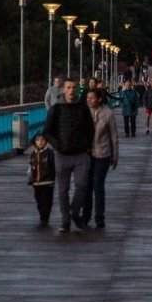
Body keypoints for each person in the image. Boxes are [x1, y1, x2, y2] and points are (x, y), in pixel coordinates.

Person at [42, 78, 96, 233]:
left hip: (80, 154)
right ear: (63, 90)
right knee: (63, 189)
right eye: (68, 87)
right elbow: (46, 132)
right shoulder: (56, 109)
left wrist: (86, 145)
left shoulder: (83, 108)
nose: (72, 90)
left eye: (73, 87)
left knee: (82, 185)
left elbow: (90, 129)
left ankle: (74, 211)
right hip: (62, 154)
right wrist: (57, 145)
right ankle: (66, 220)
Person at [81, 88, 119, 229]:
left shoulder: (108, 113)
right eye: (87, 98)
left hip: (103, 154)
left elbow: (113, 136)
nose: (89, 100)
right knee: (87, 185)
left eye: (91, 98)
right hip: (86, 154)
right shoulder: (84, 112)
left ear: (99, 99)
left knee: (98, 184)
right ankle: (85, 216)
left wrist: (115, 155)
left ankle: (99, 217)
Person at [26, 133, 56, 226]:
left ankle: (44, 217)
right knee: (38, 199)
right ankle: (42, 215)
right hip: (36, 182)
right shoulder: (33, 154)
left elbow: (54, 166)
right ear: (35, 142)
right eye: (38, 140)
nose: (40, 142)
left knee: (46, 199)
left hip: (48, 181)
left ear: (46, 142)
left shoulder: (49, 153)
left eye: (42, 140)